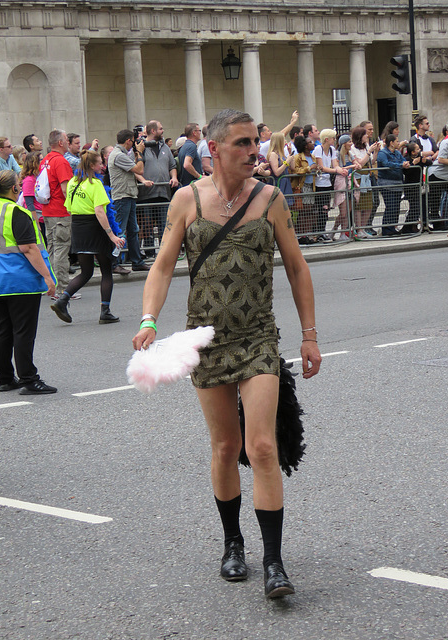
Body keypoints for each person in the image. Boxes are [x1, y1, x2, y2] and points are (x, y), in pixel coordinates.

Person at [132, 108, 321, 599]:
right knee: (223, 447)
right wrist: (149, 320)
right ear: (213, 149)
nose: (253, 152)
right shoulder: (186, 200)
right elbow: (161, 267)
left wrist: (310, 335)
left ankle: (274, 562)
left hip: (259, 337)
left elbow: (298, 269)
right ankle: (233, 542)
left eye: (254, 143)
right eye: (241, 144)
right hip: (207, 340)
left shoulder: (270, 199)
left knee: (261, 446)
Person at [0, 170, 57, 395]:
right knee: (23, 331)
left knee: (2, 329)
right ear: (14, 189)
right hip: (20, 280)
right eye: (19, 184)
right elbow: (29, 248)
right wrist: (48, 277)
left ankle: (4, 378)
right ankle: (29, 379)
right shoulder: (17, 212)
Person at [51, 150, 125, 325]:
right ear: (92, 165)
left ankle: (62, 300)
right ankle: (105, 311)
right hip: (95, 228)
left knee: (86, 271)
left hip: (78, 227)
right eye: (100, 163)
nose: (102, 166)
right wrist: (112, 235)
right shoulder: (96, 184)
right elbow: (100, 211)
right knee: (106, 270)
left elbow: (68, 208)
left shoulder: (72, 183)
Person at [108, 129, 150, 273]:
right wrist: (140, 153)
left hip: (129, 195)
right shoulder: (118, 155)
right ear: (128, 141)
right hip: (122, 197)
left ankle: (137, 261)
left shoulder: (122, 155)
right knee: (120, 231)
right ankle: (114, 263)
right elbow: (139, 169)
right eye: (133, 141)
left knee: (133, 230)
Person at [40, 129, 74, 298]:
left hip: (48, 211)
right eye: (67, 139)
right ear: (60, 143)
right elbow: (65, 189)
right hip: (60, 211)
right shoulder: (61, 162)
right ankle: (62, 289)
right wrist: (73, 208)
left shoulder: (46, 160)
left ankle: (52, 286)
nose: (68, 142)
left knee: (52, 249)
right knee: (61, 249)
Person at [137, 119, 178, 255]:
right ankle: (149, 252)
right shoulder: (140, 147)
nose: (163, 130)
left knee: (164, 224)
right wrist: (143, 181)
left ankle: (164, 251)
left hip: (164, 192)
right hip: (147, 193)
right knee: (147, 225)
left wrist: (174, 177)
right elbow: (135, 168)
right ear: (153, 131)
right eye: (161, 128)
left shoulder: (165, 147)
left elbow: (172, 166)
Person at [313, 129, 347, 242]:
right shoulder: (319, 149)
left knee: (326, 209)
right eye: (333, 138)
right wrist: (336, 171)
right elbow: (321, 167)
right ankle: (318, 233)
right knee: (321, 208)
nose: (334, 140)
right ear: (327, 139)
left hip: (328, 182)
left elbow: (335, 164)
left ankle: (322, 232)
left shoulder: (332, 150)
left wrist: (340, 170)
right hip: (319, 183)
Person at [377, 134, 410, 236]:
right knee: (390, 206)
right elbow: (386, 164)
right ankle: (386, 229)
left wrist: (406, 164)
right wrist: (400, 165)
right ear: (391, 143)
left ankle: (393, 227)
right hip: (386, 183)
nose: (398, 143)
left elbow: (403, 161)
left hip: (398, 183)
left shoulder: (396, 153)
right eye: (397, 141)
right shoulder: (382, 153)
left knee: (396, 207)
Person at [351, 126, 380, 238]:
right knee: (359, 206)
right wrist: (369, 152)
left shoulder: (366, 147)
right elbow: (360, 164)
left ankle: (363, 228)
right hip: (359, 178)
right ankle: (358, 229)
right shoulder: (353, 149)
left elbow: (371, 161)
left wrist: (375, 151)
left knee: (368, 205)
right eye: (364, 134)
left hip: (367, 177)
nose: (367, 136)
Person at [291, 135, 318, 243]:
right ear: (305, 146)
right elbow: (295, 171)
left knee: (310, 211)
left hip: (312, 186)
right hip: (302, 186)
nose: (313, 143)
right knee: (304, 211)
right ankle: (301, 235)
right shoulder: (298, 157)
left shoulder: (312, 157)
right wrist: (309, 168)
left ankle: (308, 234)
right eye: (310, 142)